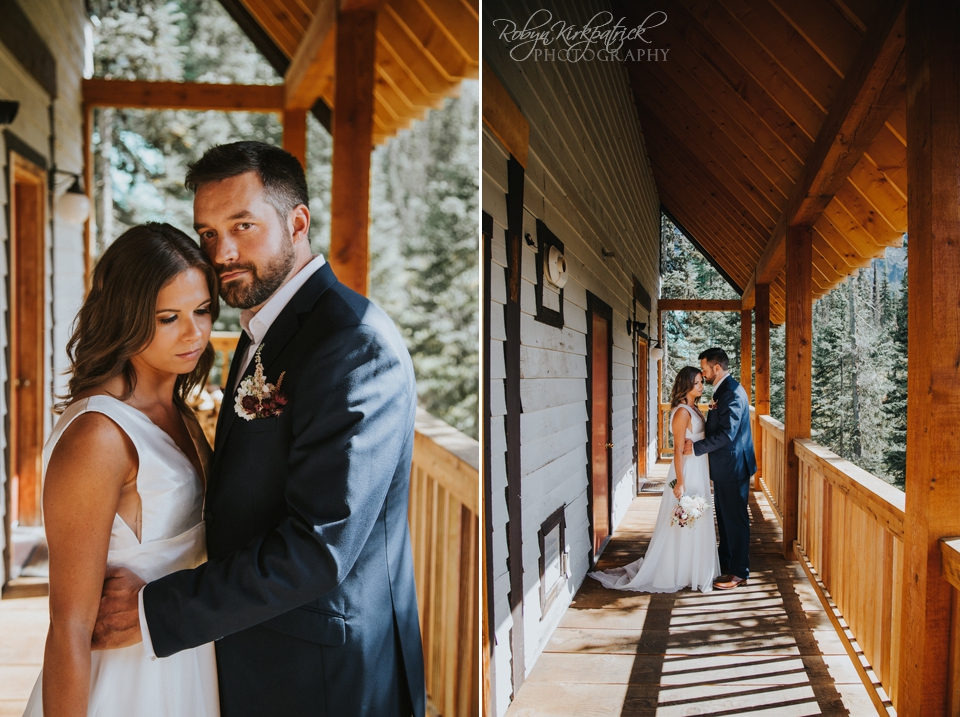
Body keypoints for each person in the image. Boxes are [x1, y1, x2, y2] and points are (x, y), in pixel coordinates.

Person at [91, 141, 425, 716]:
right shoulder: (259, 330)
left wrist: (157, 609)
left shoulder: (354, 344)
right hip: (257, 652)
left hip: (325, 676)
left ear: (297, 222)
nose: (223, 251)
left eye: (243, 225)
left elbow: (319, 548)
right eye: (209, 233)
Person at [23, 223, 221, 716]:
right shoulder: (98, 436)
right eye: (169, 317)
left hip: (190, 657)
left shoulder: (180, 410)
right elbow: (69, 622)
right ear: (126, 317)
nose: (195, 333)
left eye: (201, 310)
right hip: (128, 685)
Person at [588, 366, 720, 593]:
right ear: (687, 384)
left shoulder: (694, 408)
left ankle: (692, 569)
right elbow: (678, 450)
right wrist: (680, 482)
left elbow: (697, 432)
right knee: (684, 520)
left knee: (696, 518)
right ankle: (676, 570)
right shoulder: (681, 413)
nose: (701, 386)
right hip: (686, 471)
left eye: (701, 382)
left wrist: (709, 409)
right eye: (697, 383)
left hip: (698, 467)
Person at [685, 347, 757, 591]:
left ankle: (739, 573)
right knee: (725, 519)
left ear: (717, 368)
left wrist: (696, 448)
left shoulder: (732, 393)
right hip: (726, 466)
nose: (703, 375)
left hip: (733, 466)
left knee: (735, 520)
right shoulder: (723, 390)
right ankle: (725, 562)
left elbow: (727, 434)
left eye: (704, 369)